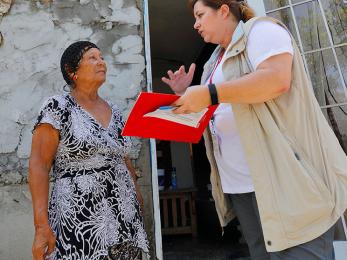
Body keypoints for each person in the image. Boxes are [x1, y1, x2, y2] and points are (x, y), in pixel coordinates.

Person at [162, 0, 347, 259]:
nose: (195, 24)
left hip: (284, 181)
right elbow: (216, 112)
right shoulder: (213, 62)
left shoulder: (260, 31)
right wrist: (185, 95)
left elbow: (276, 79)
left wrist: (209, 93)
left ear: (224, 10)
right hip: (241, 187)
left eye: (201, 15)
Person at [29, 41, 149, 260]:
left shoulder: (115, 111)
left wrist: (138, 201)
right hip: (79, 219)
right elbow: (39, 165)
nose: (101, 62)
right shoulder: (58, 106)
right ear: (71, 70)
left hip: (125, 217)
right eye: (92, 58)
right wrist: (41, 227)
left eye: (101, 57)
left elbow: (124, 160)